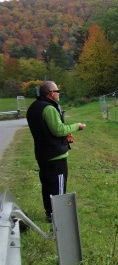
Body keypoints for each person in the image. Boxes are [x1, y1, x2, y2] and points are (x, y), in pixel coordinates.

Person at [27, 81, 86, 223]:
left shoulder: (33, 107)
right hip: (55, 156)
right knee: (58, 186)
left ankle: (50, 213)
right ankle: (57, 216)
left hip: (42, 154)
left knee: (47, 185)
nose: (59, 93)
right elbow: (58, 129)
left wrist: (66, 137)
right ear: (51, 93)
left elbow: (45, 130)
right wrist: (77, 126)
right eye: (57, 91)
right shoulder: (48, 108)